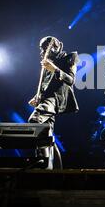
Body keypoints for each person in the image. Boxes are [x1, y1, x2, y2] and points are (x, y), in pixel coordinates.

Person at [28, 36, 79, 167]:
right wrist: (37, 96)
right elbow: (44, 84)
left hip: (56, 98)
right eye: (44, 48)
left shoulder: (69, 57)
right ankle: (55, 169)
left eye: (49, 47)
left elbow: (71, 80)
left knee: (35, 120)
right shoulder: (47, 62)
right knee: (48, 135)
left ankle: (41, 159)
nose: (46, 50)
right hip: (46, 99)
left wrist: (55, 69)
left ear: (58, 46)